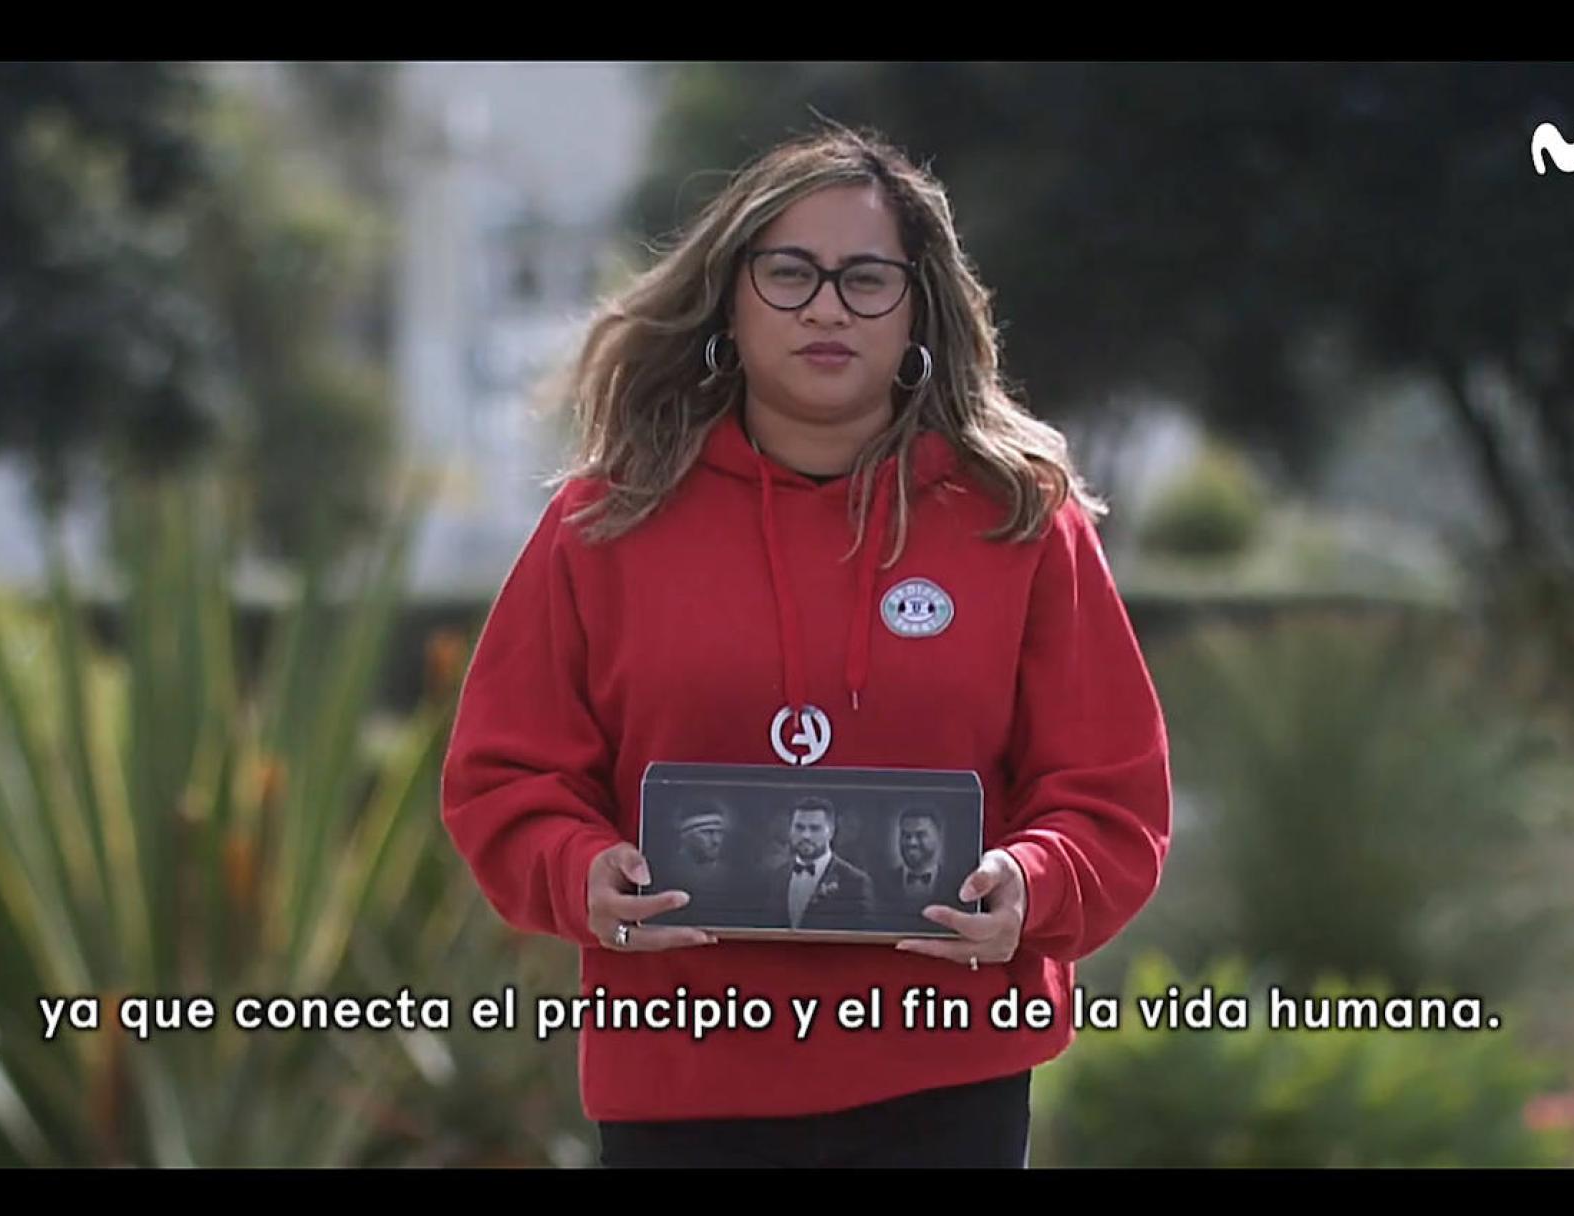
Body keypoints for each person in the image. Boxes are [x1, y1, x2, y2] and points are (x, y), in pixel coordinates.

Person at [438, 124, 1172, 1168]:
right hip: (682, 1076)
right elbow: (503, 779)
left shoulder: (1019, 522)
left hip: (945, 1070)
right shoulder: (603, 524)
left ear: (918, 307)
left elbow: (1112, 797)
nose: (828, 306)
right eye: (790, 273)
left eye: (867, 278)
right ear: (728, 301)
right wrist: (578, 870)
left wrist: (1035, 881)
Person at [771, 795, 875, 931]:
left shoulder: (855, 882)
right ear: (790, 830)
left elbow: (863, 935)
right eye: (799, 827)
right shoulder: (776, 876)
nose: (805, 835)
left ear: (831, 831)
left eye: (814, 829)